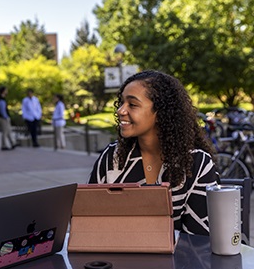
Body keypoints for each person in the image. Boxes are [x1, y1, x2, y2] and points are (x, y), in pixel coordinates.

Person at [88, 70, 218, 236]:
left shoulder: (197, 164)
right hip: (118, 259)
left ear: (161, 112)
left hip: (180, 261)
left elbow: (199, 241)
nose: (120, 111)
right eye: (121, 103)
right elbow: (89, 222)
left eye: (132, 105)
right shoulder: (111, 158)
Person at [0, 86, 17, 151]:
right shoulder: (1, 99)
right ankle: (4, 145)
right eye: (6, 90)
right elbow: (2, 110)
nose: (7, 92)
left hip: (3, 117)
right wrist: (6, 117)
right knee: (5, 131)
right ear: (3, 91)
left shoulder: (2, 99)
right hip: (3, 118)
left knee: (8, 131)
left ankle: (12, 143)